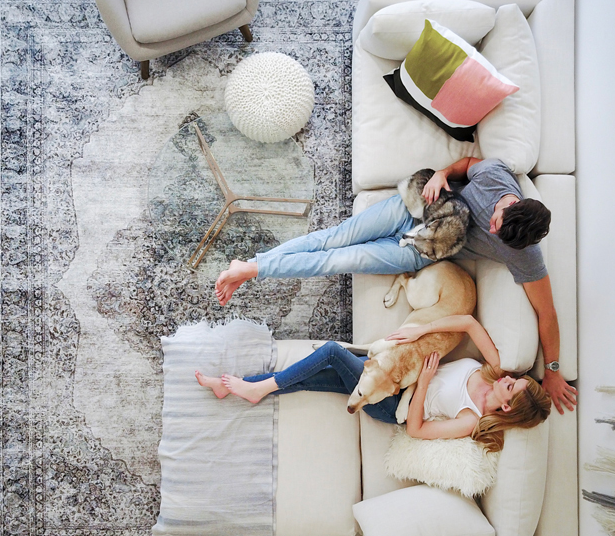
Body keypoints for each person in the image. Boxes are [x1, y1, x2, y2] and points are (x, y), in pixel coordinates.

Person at [213, 156, 577, 414]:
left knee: (340, 260)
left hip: (423, 251)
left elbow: (546, 312)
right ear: (511, 203)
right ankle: (251, 266)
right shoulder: (496, 176)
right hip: (417, 207)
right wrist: (441, 174)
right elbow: (467, 163)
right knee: (334, 239)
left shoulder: (525, 254)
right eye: (496, 221)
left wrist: (555, 372)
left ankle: (252, 270)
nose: (493, 230)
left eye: (500, 236)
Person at [195, 313, 550, 450]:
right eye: (514, 380)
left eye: (511, 386)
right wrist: (423, 329)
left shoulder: (471, 419)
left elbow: (417, 430)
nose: (507, 378)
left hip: (391, 404)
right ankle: (233, 386)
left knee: (332, 353)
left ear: (506, 406)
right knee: (315, 376)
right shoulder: (492, 368)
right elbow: (470, 323)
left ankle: (257, 389)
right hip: (396, 375)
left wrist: (425, 383)